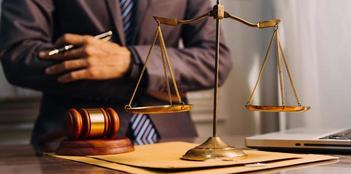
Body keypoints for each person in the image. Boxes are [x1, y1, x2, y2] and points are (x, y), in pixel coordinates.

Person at [0, 0, 232, 146]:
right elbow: (18, 56)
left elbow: (216, 59)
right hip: (73, 141)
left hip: (174, 145)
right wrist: (147, 79)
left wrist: (131, 61)